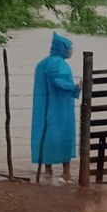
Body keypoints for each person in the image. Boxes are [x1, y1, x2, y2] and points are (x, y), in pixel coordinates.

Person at [31, 32, 82, 182]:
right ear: (62, 48)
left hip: (44, 107)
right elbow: (58, 82)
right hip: (61, 107)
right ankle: (66, 172)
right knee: (64, 135)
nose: (72, 51)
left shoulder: (42, 64)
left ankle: (48, 171)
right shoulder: (60, 64)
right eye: (70, 48)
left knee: (47, 135)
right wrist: (75, 87)